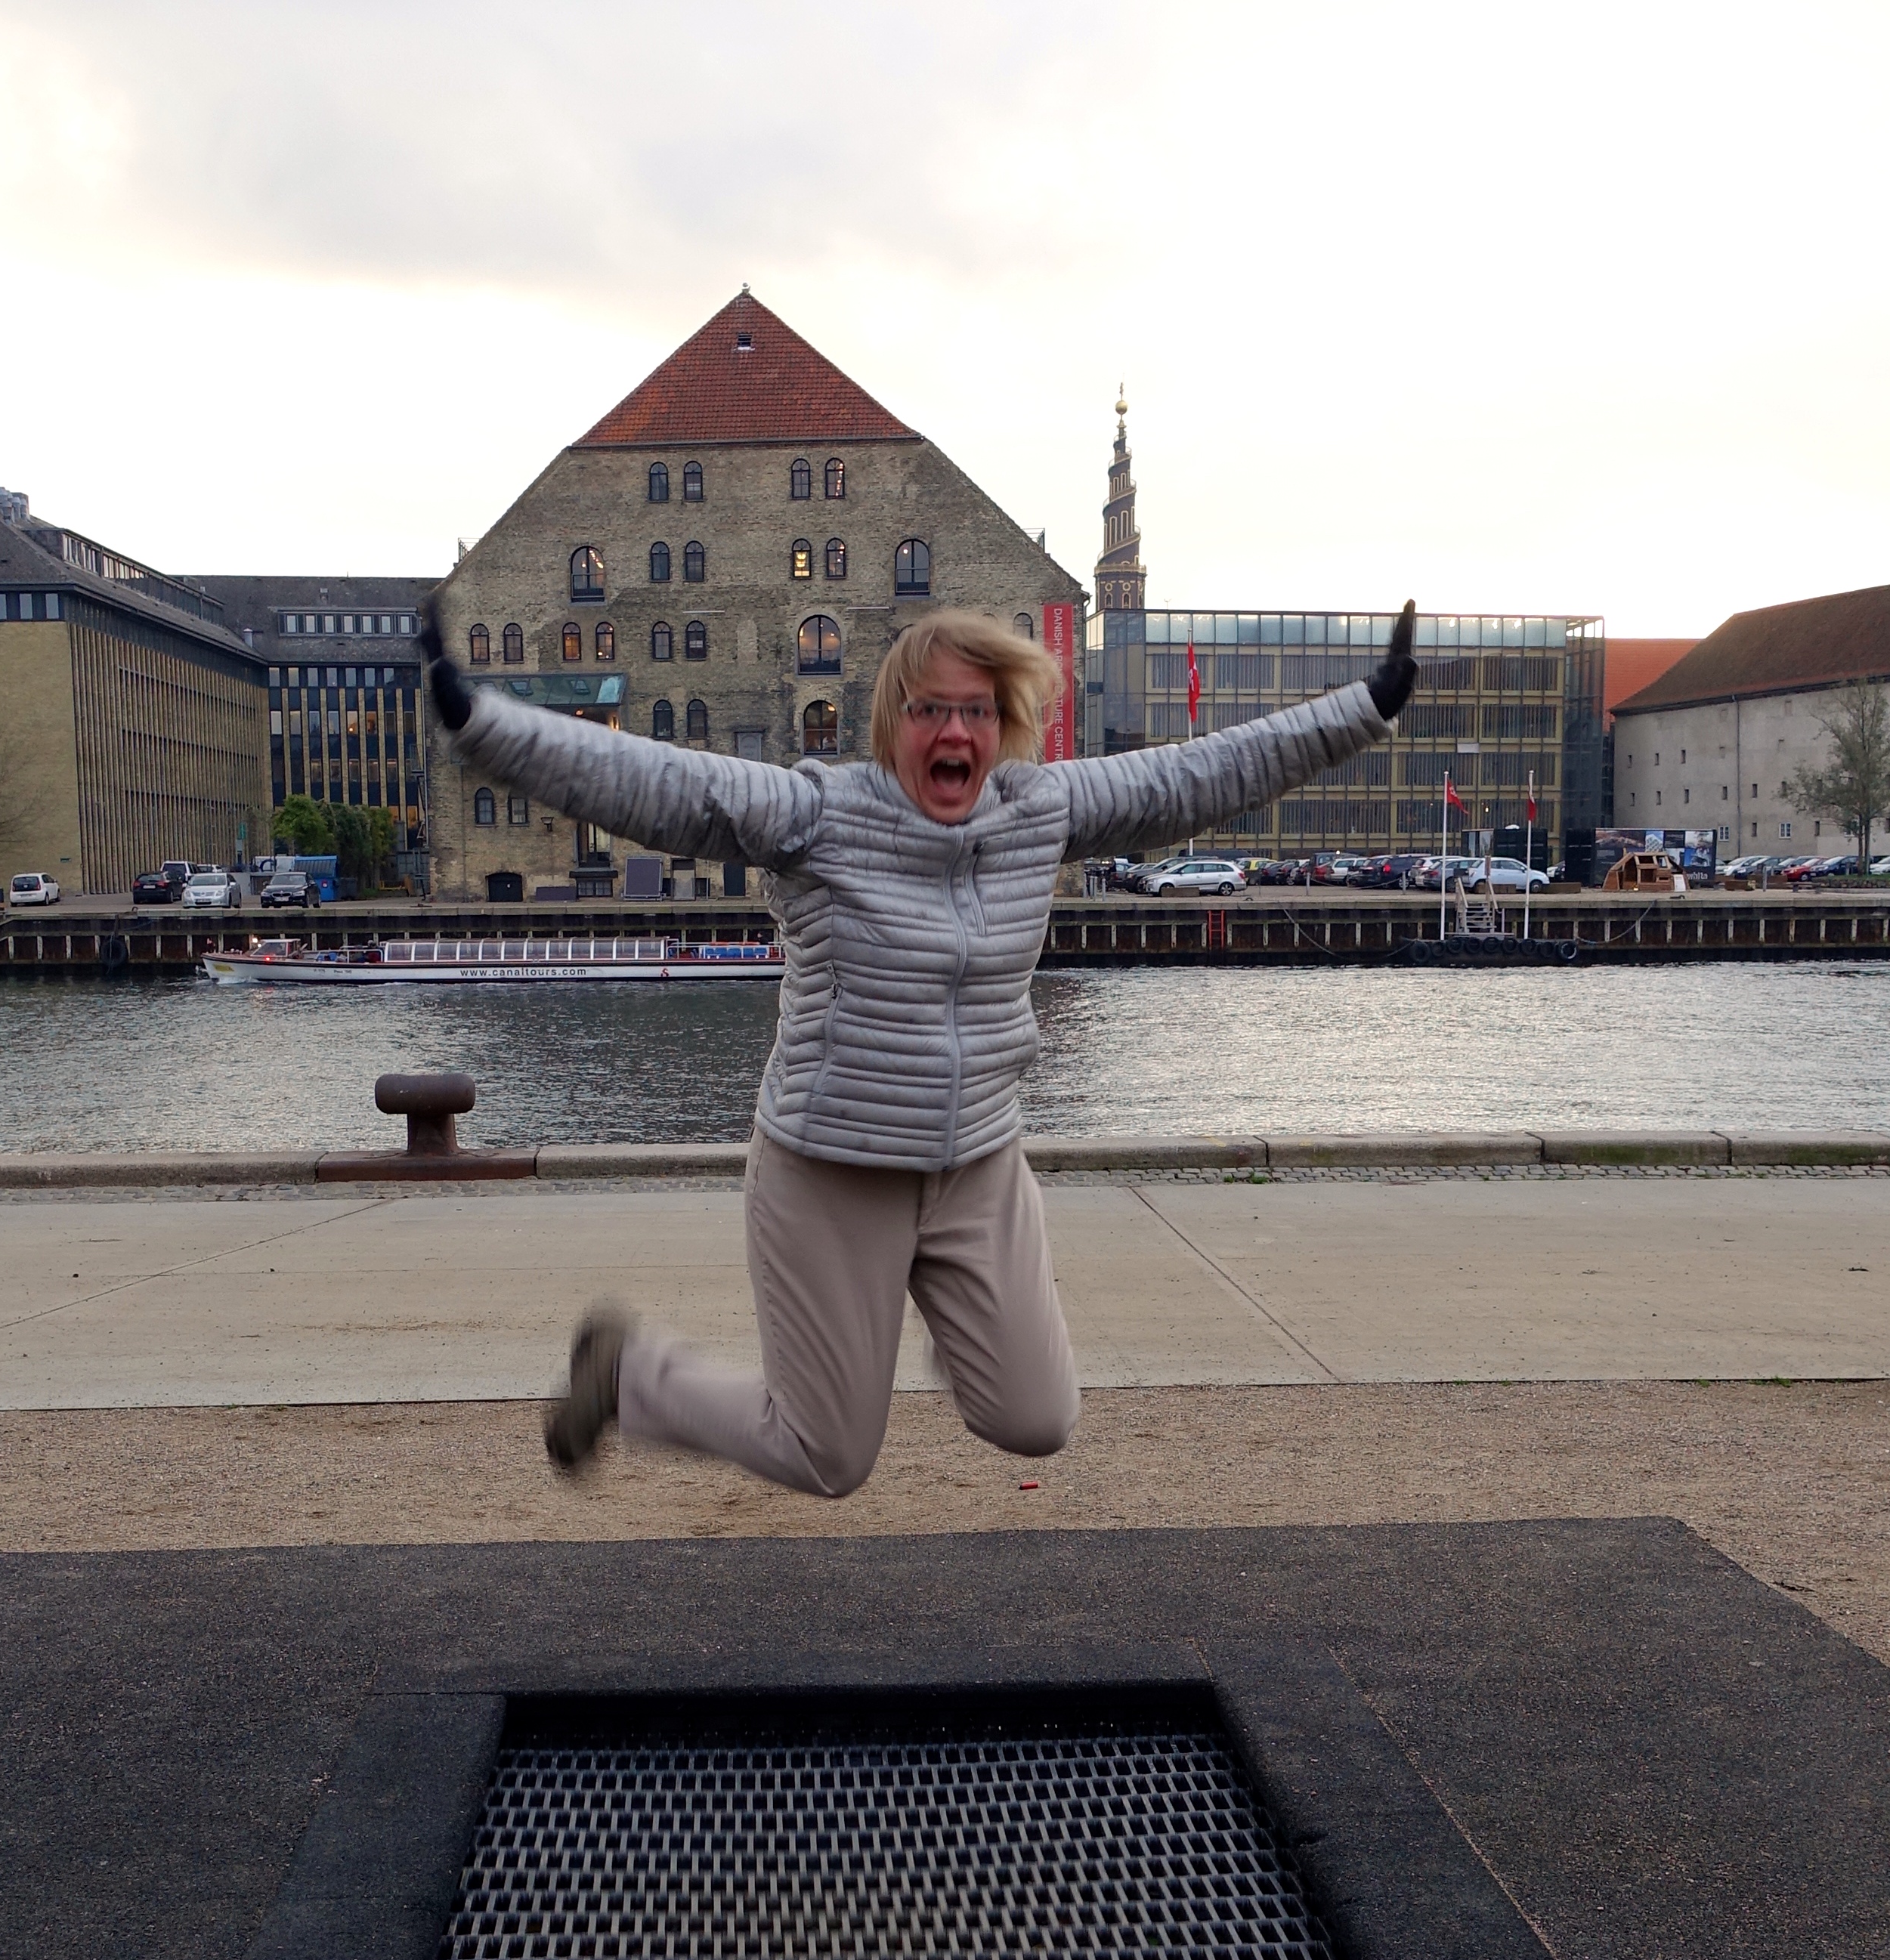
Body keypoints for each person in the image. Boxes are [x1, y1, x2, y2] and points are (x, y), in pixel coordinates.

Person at [417, 592, 1417, 1495]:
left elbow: (1201, 776)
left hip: (976, 1163)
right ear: (892, 723)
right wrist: (481, 721)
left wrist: (1366, 705)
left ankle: (957, 1318)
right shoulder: (817, 815)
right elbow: (660, 784)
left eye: (975, 711)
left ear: (1004, 726)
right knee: (826, 1456)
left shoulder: (1040, 809)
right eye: (929, 709)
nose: (953, 731)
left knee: (1037, 1420)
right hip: (833, 1165)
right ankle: (628, 1377)